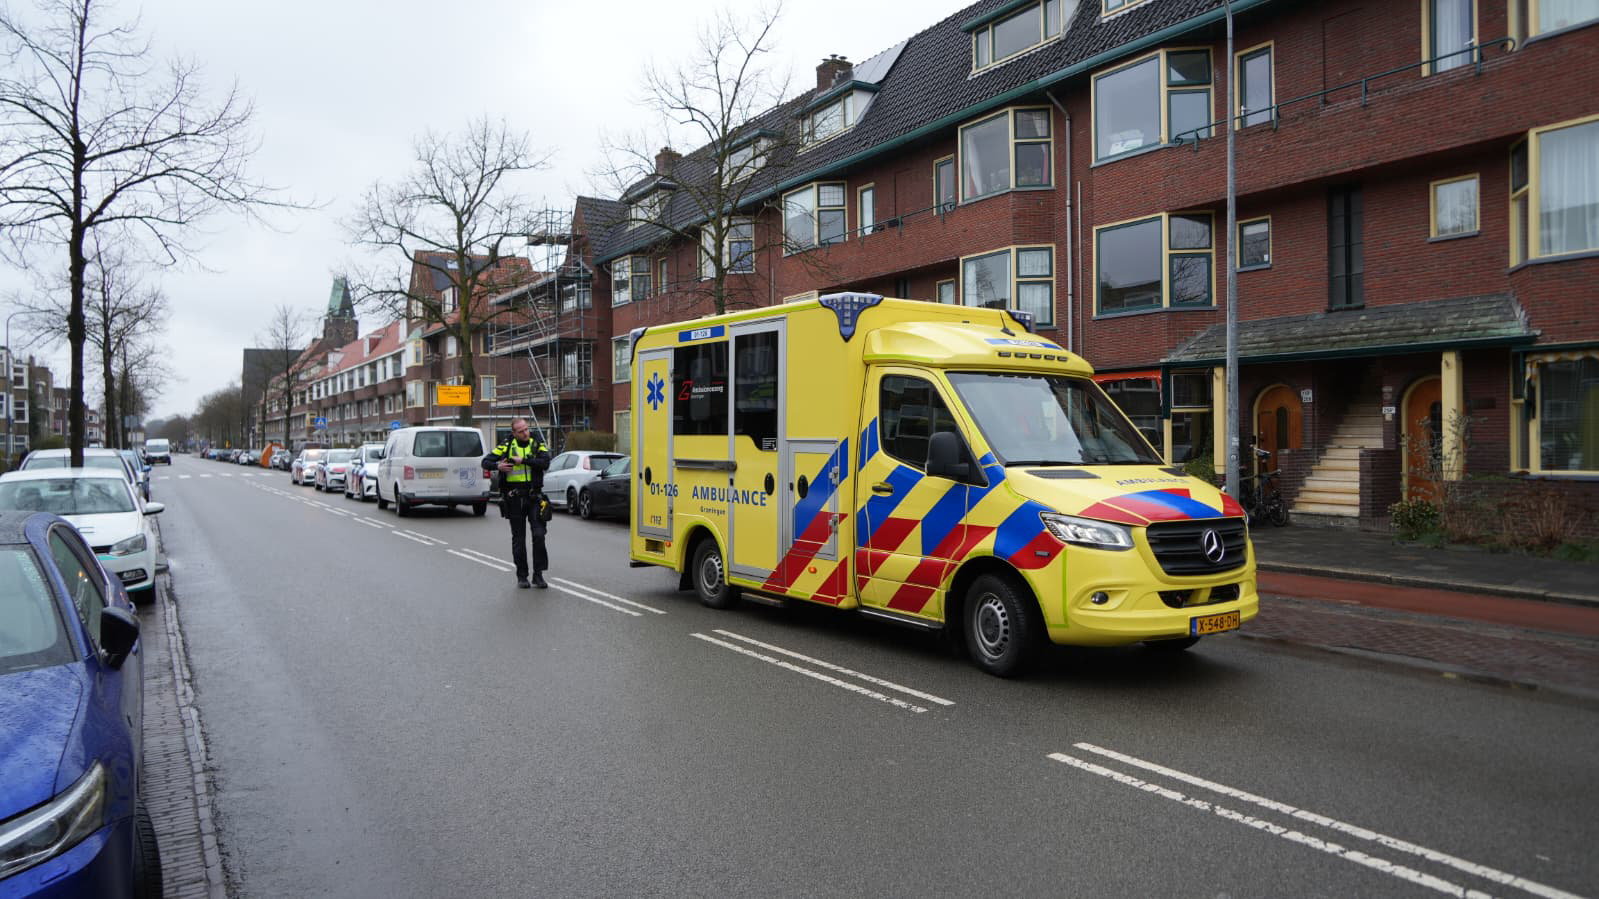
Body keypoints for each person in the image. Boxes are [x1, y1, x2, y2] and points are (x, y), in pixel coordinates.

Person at [482, 418, 551, 589]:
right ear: (514, 433)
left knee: (539, 535)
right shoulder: (507, 444)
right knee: (519, 539)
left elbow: (545, 462)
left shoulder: (536, 442)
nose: (526, 433)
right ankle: (522, 576)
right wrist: (498, 465)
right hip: (515, 498)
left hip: (535, 497)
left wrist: (523, 461)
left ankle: (538, 575)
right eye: (521, 431)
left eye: (526, 429)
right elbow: (485, 462)